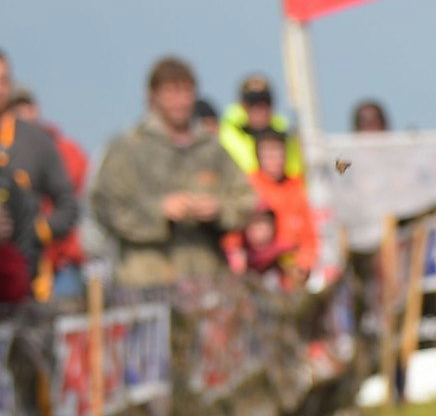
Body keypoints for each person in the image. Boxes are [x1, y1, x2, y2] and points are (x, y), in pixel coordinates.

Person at [90, 56, 256, 287]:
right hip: (146, 282)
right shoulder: (129, 148)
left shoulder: (211, 149)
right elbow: (105, 207)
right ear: (153, 96)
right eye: (171, 92)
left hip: (205, 280)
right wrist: (160, 210)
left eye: (186, 92)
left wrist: (218, 209)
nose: (180, 101)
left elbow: (246, 200)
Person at [0, 52, 82, 308]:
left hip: (28, 279)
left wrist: (36, 231)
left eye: (3, 81)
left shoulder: (36, 141)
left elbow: (68, 204)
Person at [238, 128, 318, 282]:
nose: (273, 160)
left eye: (278, 154)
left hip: (293, 269)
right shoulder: (248, 187)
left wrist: (304, 262)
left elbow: (310, 234)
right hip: (258, 269)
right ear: (258, 157)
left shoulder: (298, 187)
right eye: (268, 155)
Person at [222, 73, 302, 178]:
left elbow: (296, 175)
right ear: (242, 105)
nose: (259, 109)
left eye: (265, 102)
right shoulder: (224, 138)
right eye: (252, 103)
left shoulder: (286, 138)